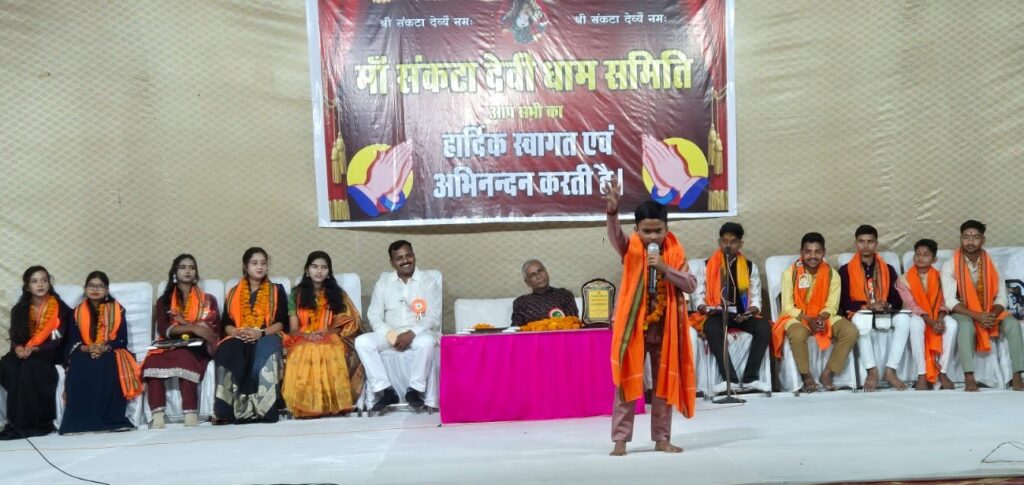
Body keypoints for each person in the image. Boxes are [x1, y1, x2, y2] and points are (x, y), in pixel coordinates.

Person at [603, 177, 696, 457]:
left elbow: (691, 284)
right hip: (633, 328)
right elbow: (615, 237)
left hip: (665, 328)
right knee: (627, 381)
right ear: (636, 230)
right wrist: (612, 212)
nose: (653, 237)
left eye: (658, 231)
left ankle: (662, 438)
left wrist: (666, 269)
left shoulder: (674, 253)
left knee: (663, 385)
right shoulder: (629, 247)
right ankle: (620, 439)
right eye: (647, 232)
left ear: (667, 229)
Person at [356, 240, 441, 415]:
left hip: (419, 332)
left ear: (414, 256)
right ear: (392, 262)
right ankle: (386, 390)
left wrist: (412, 333)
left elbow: (433, 316)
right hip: (390, 334)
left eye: (408, 255)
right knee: (362, 342)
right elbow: (374, 315)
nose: (405, 261)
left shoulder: (428, 282)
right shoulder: (383, 282)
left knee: (426, 342)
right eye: (399, 258)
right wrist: (390, 334)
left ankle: (414, 389)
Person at [942, 220, 1024, 392]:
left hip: (989, 309)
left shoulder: (992, 264)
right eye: (966, 237)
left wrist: (992, 314)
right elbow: (950, 300)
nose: (970, 242)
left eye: (975, 237)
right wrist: (977, 316)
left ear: (983, 240)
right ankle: (969, 376)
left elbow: (1001, 296)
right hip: (964, 310)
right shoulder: (950, 264)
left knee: (1013, 324)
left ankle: (1017, 376)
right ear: (961, 238)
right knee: (966, 326)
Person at [771, 233, 858, 393]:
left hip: (823, 316)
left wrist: (821, 318)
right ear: (801, 252)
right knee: (797, 334)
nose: (812, 256)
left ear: (824, 252)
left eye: (817, 251)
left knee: (850, 331)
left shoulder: (832, 274)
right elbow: (787, 307)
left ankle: (828, 373)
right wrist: (808, 319)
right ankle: (806, 376)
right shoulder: (790, 274)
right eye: (808, 251)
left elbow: (832, 305)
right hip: (798, 317)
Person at [282, 251, 364, 418]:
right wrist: (308, 336)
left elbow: (344, 322)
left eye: (324, 268)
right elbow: (293, 329)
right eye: (314, 267)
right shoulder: (296, 294)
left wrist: (327, 333)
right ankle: (307, 405)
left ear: (329, 272)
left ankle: (331, 404)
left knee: (330, 349)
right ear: (307, 270)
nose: (319, 271)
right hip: (303, 336)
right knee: (304, 351)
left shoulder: (338, 294)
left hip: (331, 334)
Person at [691, 222, 771, 392]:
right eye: (724, 241)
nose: (728, 245)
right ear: (719, 242)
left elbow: (756, 300)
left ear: (740, 244)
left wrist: (749, 312)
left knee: (764, 327)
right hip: (716, 314)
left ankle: (750, 378)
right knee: (712, 328)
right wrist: (705, 308)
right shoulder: (706, 266)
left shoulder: (750, 267)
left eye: (733, 241)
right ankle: (730, 379)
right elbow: (698, 296)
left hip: (742, 315)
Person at [143, 254, 220, 428]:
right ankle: (158, 416)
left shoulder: (208, 300)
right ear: (175, 272)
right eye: (183, 267)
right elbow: (164, 329)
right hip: (170, 345)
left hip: (197, 346)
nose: (188, 271)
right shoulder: (164, 301)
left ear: (196, 272)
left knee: (185, 357)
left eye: (192, 268)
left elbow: (211, 330)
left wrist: (185, 326)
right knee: (152, 361)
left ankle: (190, 414)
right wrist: (192, 327)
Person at [59, 271, 140, 434]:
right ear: (85, 289)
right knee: (80, 362)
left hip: (110, 350)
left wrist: (105, 347)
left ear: (107, 290)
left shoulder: (118, 310)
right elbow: (72, 340)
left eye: (100, 286)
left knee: (109, 362)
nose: (95, 289)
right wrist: (88, 348)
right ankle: (78, 422)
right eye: (91, 286)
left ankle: (111, 419)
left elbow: (122, 339)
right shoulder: (75, 313)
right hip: (84, 350)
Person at [214, 247, 289, 423]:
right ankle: (229, 410)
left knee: (267, 350)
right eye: (254, 263)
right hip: (240, 335)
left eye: (263, 263)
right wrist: (235, 332)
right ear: (245, 266)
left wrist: (260, 333)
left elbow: (281, 322)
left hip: (267, 334)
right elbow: (226, 323)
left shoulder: (277, 290)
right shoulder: (233, 293)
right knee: (226, 349)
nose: (260, 267)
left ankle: (264, 409)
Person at [0, 266, 71, 440]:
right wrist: (18, 348)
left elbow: (58, 340)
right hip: (23, 351)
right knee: (8, 365)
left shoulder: (61, 310)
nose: (40, 285)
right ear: (27, 286)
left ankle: (35, 424)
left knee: (30, 367)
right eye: (34, 281)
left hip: (48, 352)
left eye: (44, 280)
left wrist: (35, 349)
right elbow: (15, 336)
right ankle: (14, 422)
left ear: (49, 283)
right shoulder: (19, 309)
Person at [838, 225, 909, 391]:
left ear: (876, 244)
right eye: (861, 241)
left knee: (904, 320)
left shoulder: (888, 269)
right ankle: (872, 371)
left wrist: (887, 304)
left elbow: (897, 299)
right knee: (861, 320)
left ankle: (891, 370)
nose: (866, 246)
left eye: (870, 242)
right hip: (861, 312)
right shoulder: (846, 270)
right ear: (856, 243)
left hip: (885, 312)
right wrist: (868, 306)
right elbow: (843, 302)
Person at [895, 239, 957, 390]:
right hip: (915, 315)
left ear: (934, 259)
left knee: (952, 324)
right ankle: (922, 374)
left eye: (926, 255)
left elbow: (945, 301)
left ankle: (942, 372)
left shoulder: (942, 277)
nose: (920, 258)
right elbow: (912, 305)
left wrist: (939, 320)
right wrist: (931, 321)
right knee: (916, 324)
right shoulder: (903, 279)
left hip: (938, 315)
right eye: (917, 254)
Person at [511, 259, 579, 326]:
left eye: (540, 271)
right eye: (532, 275)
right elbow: (515, 330)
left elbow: (574, 323)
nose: (539, 276)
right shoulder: (521, 303)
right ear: (527, 282)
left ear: (546, 272)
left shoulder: (564, 295)